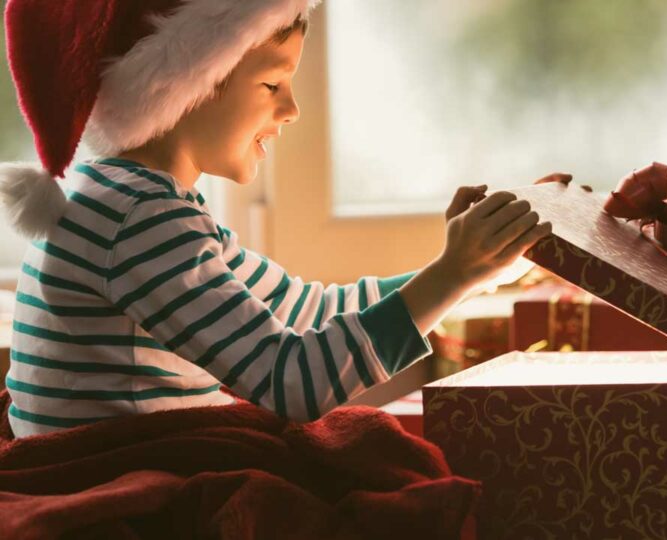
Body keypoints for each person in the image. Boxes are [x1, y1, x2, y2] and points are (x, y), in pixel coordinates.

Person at [0, 0, 567, 438]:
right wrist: (450, 278)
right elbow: (291, 382)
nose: (291, 109)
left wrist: (467, 274)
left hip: (126, 459)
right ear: (181, 84)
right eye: (272, 83)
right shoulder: (138, 217)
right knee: (370, 454)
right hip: (129, 481)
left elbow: (308, 309)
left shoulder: (127, 200)